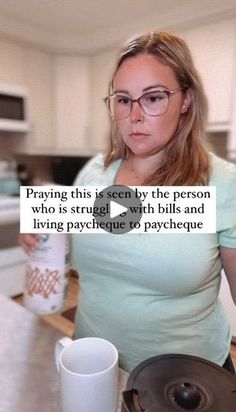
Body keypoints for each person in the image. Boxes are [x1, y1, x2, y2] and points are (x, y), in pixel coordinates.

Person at [20, 31, 236, 374]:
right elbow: (72, 247)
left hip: (187, 381)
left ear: (186, 100)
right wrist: (41, 237)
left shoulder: (225, 183)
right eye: (123, 99)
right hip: (94, 364)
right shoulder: (95, 171)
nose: (134, 116)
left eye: (153, 98)